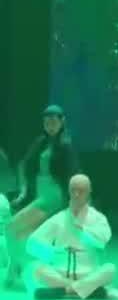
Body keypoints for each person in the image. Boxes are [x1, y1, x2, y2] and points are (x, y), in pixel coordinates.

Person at [5, 105, 78, 287]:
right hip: (40, 195)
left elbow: (73, 176)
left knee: (12, 227)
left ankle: (16, 269)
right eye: (46, 122)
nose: (50, 126)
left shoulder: (65, 146)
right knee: (19, 234)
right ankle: (18, 268)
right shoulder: (41, 143)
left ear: (62, 122)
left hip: (54, 198)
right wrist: (23, 191)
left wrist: (72, 206)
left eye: (53, 122)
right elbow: (24, 164)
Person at [26, 173, 116, 300]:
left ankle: (64, 291)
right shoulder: (58, 219)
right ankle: (82, 290)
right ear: (69, 191)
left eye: (81, 191)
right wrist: (53, 253)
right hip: (60, 274)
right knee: (34, 267)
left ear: (89, 192)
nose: (77, 194)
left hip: (88, 274)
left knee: (110, 269)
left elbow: (102, 241)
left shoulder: (97, 218)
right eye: (74, 190)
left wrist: (83, 229)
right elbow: (32, 243)